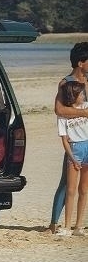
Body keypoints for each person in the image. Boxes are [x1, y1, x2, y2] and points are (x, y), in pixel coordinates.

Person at [48, 42, 88, 233]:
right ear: (81, 63)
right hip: (74, 140)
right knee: (66, 184)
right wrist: (84, 114)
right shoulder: (66, 83)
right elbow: (59, 110)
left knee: (81, 187)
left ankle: (77, 224)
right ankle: (55, 223)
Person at [56, 80, 88, 236]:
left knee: (84, 189)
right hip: (74, 149)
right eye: (81, 93)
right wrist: (73, 158)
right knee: (70, 189)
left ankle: (79, 226)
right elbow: (64, 139)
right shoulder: (63, 115)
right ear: (73, 96)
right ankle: (67, 227)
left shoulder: (85, 107)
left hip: (87, 146)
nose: (83, 95)